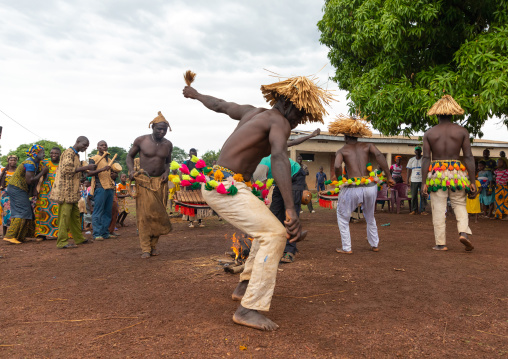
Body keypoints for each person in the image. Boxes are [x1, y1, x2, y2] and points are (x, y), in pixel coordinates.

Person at [183, 73, 332, 331]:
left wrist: (196, 95)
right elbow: (279, 158)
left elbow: (219, 104)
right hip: (228, 187)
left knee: (267, 229)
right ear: (286, 103)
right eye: (299, 114)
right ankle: (249, 309)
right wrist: (289, 208)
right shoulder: (280, 121)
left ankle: (244, 287)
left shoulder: (253, 113)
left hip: (221, 183)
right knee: (275, 234)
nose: (297, 120)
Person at [328, 115, 394, 254]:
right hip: (370, 187)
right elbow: (380, 156)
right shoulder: (368, 145)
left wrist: (340, 179)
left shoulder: (342, 151)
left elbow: (337, 165)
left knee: (342, 216)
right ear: (358, 134)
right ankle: (374, 244)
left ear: (345, 136)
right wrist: (389, 176)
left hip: (353, 188)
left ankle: (347, 248)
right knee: (370, 216)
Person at [422, 95, 476, 251]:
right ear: (452, 114)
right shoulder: (462, 131)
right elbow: (468, 157)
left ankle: (441, 243)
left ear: (437, 114)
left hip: (437, 173)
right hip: (457, 171)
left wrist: (424, 182)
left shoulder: (429, 133)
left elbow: (426, 158)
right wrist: (472, 181)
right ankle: (463, 233)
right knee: (459, 204)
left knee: (438, 207)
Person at [126, 111, 172, 259]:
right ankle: (145, 248)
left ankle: (153, 246)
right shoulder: (141, 140)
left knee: (158, 215)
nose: (162, 132)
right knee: (144, 216)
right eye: (159, 128)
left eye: (164, 129)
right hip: (144, 181)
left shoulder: (168, 144)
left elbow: (167, 163)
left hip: (160, 182)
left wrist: (166, 172)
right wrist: (132, 170)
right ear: (152, 127)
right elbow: (129, 156)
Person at [255, 155, 307, 263]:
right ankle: (274, 244)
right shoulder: (256, 167)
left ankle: (289, 250)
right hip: (279, 180)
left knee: (289, 212)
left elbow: (263, 189)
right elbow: (260, 189)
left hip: (294, 176)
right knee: (274, 212)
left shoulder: (264, 167)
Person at [50, 137, 95, 249]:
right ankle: (62, 241)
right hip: (65, 191)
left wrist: (84, 171)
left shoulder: (75, 155)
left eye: (87, 147)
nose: (85, 148)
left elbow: (75, 171)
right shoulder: (68, 153)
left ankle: (78, 238)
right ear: (78, 142)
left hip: (73, 192)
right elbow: (67, 170)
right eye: (84, 145)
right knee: (64, 217)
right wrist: (86, 167)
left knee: (75, 216)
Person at [3, 145, 48, 244]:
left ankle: (20, 236)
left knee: (26, 211)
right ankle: (10, 236)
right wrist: (43, 172)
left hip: (19, 188)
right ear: (36, 153)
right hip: (16, 188)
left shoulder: (35, 163)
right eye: (42, 152)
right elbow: (30, 180)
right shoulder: (29, 163)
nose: (44, 154)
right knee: (22, 211)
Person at [88, 141, 115, 241]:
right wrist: (102, 169)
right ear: (97, 147)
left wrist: (114, 174)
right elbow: (89, 173)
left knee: (107, 211)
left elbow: (112, 174)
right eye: (101, 145)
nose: (104, 147)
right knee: (98, 211)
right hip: (100, 187)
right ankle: (97, 233)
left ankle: (105, 232)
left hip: (110, 187)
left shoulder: (110, 160)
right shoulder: (93, 159)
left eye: (105, 145)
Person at [34, 147, 61, 240]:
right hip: (45, 191)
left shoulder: (62, 165)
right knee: (43, 211)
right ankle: (41, 233)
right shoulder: (44, 163)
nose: (53, 155)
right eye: (51, 153)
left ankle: (57, 233)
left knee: (57, 212)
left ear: (60, 155)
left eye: (56, 153)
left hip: (58, 191)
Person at [183, 148, 205, 227]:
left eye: (195, 154)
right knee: (190, 202)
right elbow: (183, 172)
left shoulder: (199, 163)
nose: (193, 155)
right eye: (192, 154)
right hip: (189, 185)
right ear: (189, 155)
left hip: (198, 185)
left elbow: (204, 172)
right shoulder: (186, 163)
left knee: (199, 202)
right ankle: (191, 221)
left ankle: (200, 221)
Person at [0, 155, 18, 236]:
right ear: (8, 161)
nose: (12, 162)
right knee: (6, 212)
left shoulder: (18, 170)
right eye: (11, 160)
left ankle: (14, 232)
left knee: (15, 212)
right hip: (5, 194)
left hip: (16, 193)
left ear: (16, 161)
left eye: (14, 160)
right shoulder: (3, 170)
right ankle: (4, 233)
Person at [406, 146, 427, 215]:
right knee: (414, 195)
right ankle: (414, 210)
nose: (417, 152)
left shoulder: (424, 160)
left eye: (419, 151)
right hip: (413, 180)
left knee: (423, 195)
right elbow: (408, 170)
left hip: (422, 180)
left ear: (421, 152)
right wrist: (407, 179)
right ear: (415, 152)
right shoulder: (411, 160)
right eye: (416, 151)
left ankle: (423, 210)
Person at [108, 169, 121, 236]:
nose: (114, 174)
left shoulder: (114, 182)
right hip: (106, 194)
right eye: (112, 173)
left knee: (115, 211)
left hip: (112, 196)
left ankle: (111, 230)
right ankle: (106, 230)